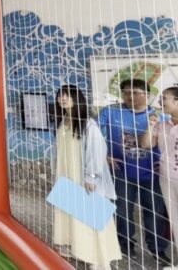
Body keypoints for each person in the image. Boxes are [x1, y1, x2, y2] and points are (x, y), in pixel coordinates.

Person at [98, 79, 170, 263]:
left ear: (147, 95)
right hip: (121, 170)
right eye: (126, 92)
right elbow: (91, 134)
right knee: (122, 210)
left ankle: (157, 249)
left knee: (154, 211)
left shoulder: (161, 117)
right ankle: (126, 244)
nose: (130, 96)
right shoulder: (110, 112)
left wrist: (165, 163)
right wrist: (104, 155)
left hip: (152, 173)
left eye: (135, 92)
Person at [51, 85, 121, 270]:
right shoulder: (63, 121)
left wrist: (91, 176)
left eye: (67, 95)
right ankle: (81, 251)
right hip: (67, 175)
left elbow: (96, 152)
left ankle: (100, 260)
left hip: (83, 178)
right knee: (75, 217)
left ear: (77, 99)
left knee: (92, 216)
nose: (62, 99)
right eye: (60, 95)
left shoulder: (88, 124)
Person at [141, 86, 178, 263]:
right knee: (174, 220)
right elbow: (145, 145)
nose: (160, 102)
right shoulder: (162, 125)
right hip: (166, 179)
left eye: (165, 99)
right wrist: (150, 125)